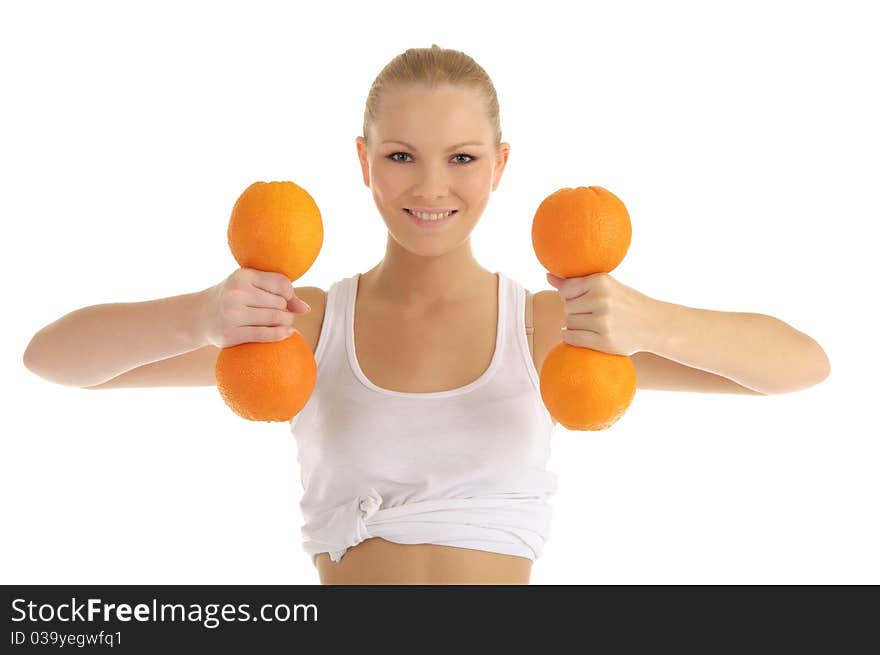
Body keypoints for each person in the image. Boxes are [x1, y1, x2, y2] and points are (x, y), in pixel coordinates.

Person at [22, 44, 830, 585]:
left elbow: (800, 368)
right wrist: (202, 313)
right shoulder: (302, 325)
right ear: (365, 165)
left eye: (463, 159)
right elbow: (52, 360)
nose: (432, 187)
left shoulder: (551, 327)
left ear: (500, 165)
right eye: (401, 156)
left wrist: (653, 321)